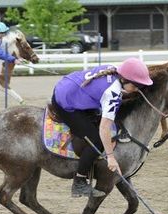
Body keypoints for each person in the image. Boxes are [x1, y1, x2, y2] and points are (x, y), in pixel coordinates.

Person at [51, 58, 153, 198]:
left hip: (68, 86)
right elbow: (104, 128)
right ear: (125, 80)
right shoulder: (113, 93)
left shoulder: (113, 70)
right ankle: (79, 182)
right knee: (97, 139)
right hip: (64, 101)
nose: (138, 90)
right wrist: (111, 157)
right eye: (136, 86)